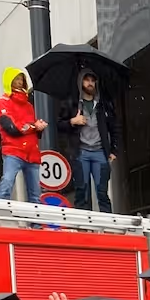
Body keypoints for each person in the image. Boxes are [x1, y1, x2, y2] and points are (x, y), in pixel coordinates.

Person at [59, 68, 121, 212]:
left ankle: (108, 228)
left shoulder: (104, 104)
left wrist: (114, 150)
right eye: (87, 80)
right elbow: (59, 125)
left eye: (93, 81)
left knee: (102, 193)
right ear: (81, 82)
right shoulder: (72, 103)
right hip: (81, 152)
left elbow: (115, 126)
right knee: (82, 192)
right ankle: (83, 229)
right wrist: (73, 121)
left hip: (100, 152)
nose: (90, 83)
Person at [0, 68, 45, 203]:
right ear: (9, 81)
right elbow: (11, 128)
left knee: (35, 193)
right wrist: (34, 126)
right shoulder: (1, 102)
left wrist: (38, 128)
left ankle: (36, 224)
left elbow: (33, 131)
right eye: (16, 79)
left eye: (21, 79)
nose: (19, 82)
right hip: (13, 150)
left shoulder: (28, 105)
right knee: (7, 182)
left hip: (32, 152)